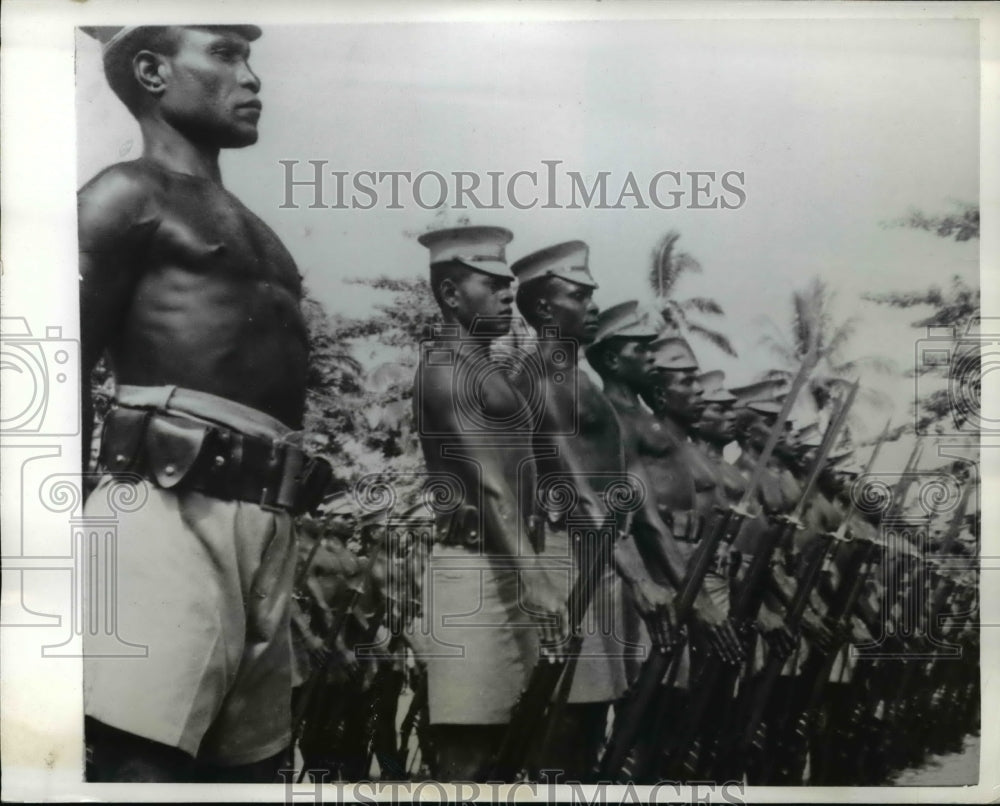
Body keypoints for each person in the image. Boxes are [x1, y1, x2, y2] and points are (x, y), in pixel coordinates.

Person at [78, 25, 331, 782]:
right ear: (152, 70)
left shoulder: (256, 229)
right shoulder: (125, 194)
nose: (252, 78)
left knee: (247, 774)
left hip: (266, 521)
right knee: (141, 760)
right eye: (224, 53)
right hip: (161, 510)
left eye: (250, 56)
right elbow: (47, 370)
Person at [510, 241, 673, 779]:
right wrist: (636, 576)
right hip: (571, 554)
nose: (594, 305)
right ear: (542, 309)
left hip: (600, 556)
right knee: (565, 720)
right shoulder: (540, 379)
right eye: (579, 295)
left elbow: (619, 485)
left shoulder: (580, 381)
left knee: (593, 716)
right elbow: (576, 489)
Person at [410, 226, 565, 781]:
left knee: (513, 749)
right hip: (476, 571)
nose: (508, 293)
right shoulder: (446, 368)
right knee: (469, 753)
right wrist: (536, 577)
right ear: (452, 295)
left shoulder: (491, 371)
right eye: (492, 282)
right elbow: (488, 483)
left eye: (510, 283)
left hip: (510, 563)